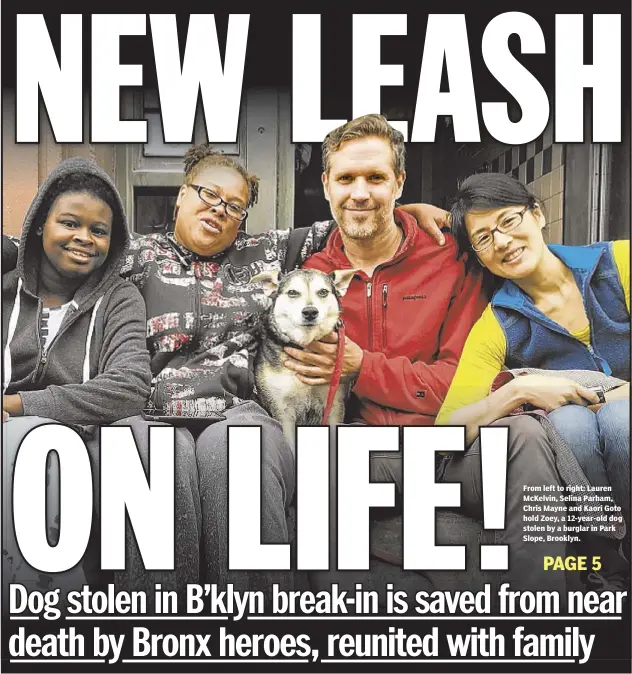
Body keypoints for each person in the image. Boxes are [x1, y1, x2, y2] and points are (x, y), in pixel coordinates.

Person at [1, 143, 450, 597]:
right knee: (155, 466)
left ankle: (255, 631)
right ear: (180, 195)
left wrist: (406, 207)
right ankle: (155, 631)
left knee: (238, 459)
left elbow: (354, 218)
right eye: (208, 194)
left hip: (238, 410)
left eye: (234, 206)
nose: (219, 210)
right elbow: (40, 247)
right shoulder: (132, 254)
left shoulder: (268, 251)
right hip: (152, 410)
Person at [279, 114, 488, 591]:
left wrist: (361, 366)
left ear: (399, 182)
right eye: (346, 178)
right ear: (326, 184)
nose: (360, 193)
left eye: (375, 178)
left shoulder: (449, 257)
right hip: (356, 454)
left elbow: (468, 382)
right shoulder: (310, 280)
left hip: (452, 446)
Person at [436, 171, 630, 592]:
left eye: (508, 221)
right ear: (479, 257)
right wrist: (517, 390)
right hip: (576, 460)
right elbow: (447, 431)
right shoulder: (496, 326)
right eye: (483, 238)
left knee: (620, 419)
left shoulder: (619, 264)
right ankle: (602, 560)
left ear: (537, 215)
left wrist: (612, 396)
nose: (502, 242)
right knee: (569, 425)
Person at [2, 158, 151, 599]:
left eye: (99, 231)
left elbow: (129, 387)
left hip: (74, 444)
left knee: (39, 448)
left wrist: (16, 405)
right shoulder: (7, 289)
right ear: (39, 224)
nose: (84, 238)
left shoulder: (119, 298)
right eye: (69, 223)